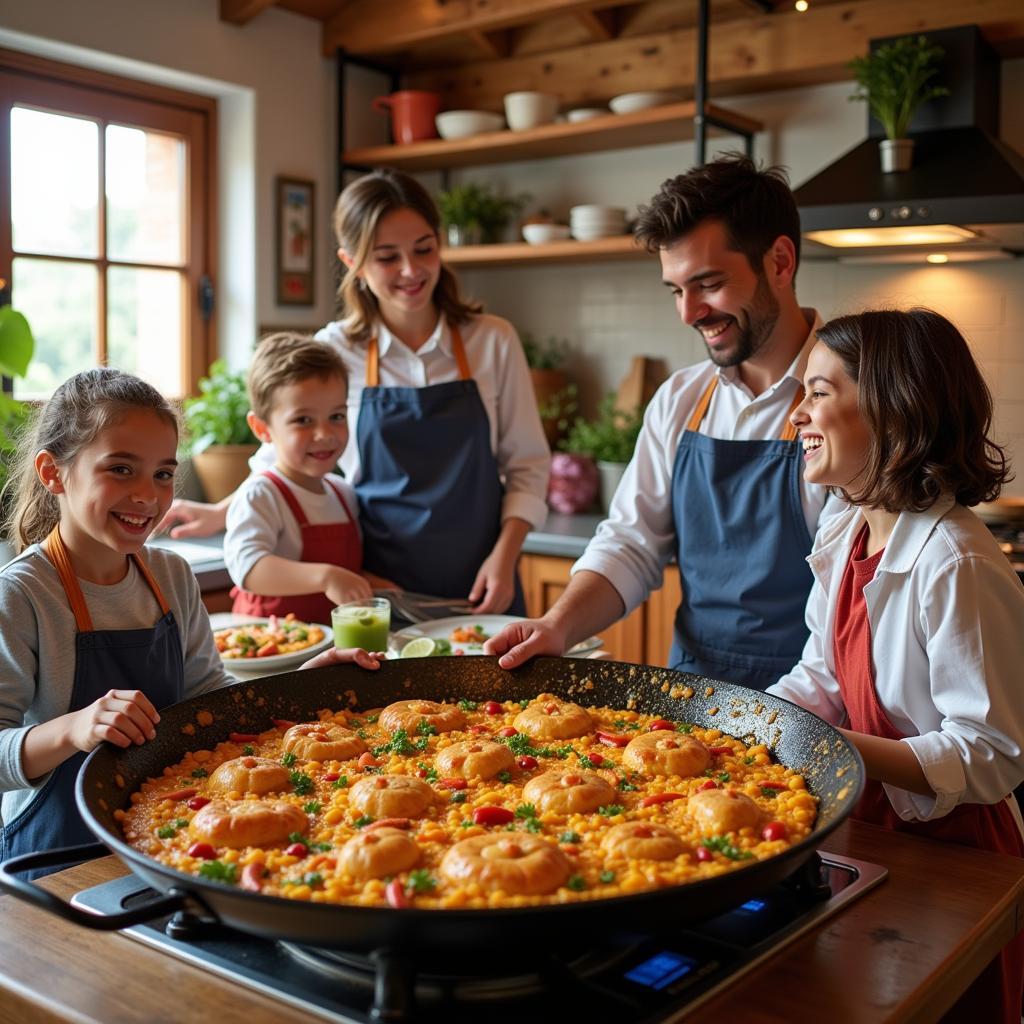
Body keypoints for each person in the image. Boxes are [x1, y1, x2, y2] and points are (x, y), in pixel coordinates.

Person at [0, 368, 383, 873]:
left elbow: (211, 705)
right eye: (120, 469)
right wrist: (75, 728)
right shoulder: (23, 593)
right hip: (57, 859)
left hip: (166, 836)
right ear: (53, 473)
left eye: (162, 473)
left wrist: (306, 684)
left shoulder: (171, 575)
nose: (148, 495)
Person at [487, 154, 838, 687]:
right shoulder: (682, 398)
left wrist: (776, 719)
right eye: (676, 290)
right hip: (694, 694)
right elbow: (631, 543)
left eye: (709, 283)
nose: (688, 312)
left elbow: (855, 603)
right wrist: (558, 627)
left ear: (781, 262)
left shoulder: (850, 401)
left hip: (818, 700)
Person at [768, 308, 1024, 1022]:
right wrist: (742, 722)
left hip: (962, 856)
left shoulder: (957, 562)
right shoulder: (847, 520)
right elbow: (820, 675)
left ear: (890, 407)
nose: (798, 414)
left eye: (819, 392)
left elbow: (992, 754)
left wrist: (833, 749)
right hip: (875, 830)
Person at [161, 169, 550, 614]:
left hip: (485, 579)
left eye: (424, 248)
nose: (411, 270)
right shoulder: (335, 349)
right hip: (377, 587)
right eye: (387, 257)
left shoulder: (493, 340)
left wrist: (505, 557)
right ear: (353, 263)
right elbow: (283, 458)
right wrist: (222, 512)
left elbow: (528, 467)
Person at [225, 332, 371, 623]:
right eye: (303, 420)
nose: (325, 434)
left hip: (327, 650)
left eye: (337, 416)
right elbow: (249, 567)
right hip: (269, 649)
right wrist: (327, 577)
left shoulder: (343, 494)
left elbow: (343, 574)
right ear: (262, 429)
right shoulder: (261, 494)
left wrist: (368, 585)